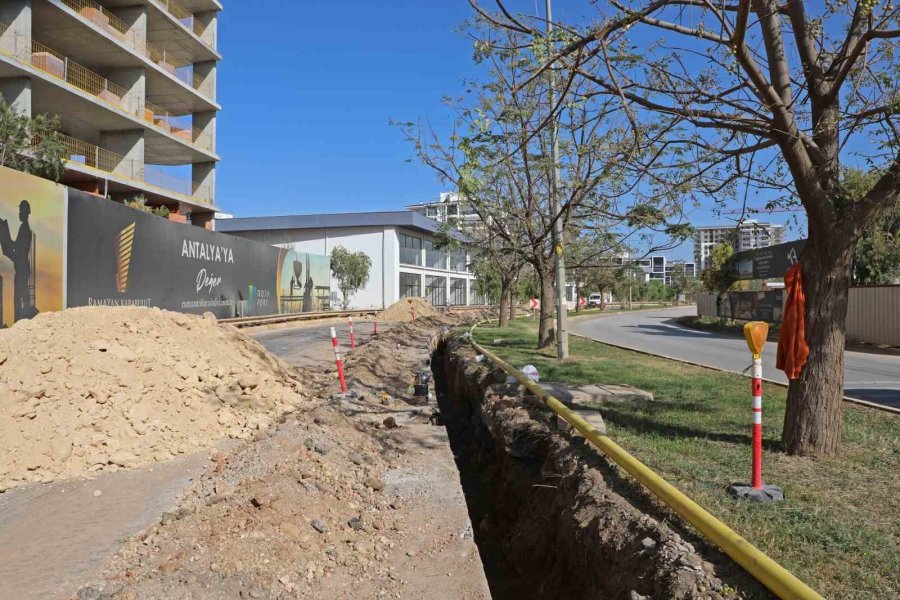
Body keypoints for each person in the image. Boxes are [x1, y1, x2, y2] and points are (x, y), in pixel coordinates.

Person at [0, 200, 35, 321]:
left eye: (21, 211)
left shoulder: (25, 229)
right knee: (21, 297)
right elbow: (16, 246)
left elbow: (18, 248)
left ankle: (22, 321)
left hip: (21, 270)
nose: (19, 214)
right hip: (21, 268)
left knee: (19, 298)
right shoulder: (23, 228)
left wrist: (5, 235)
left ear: (26, 212)